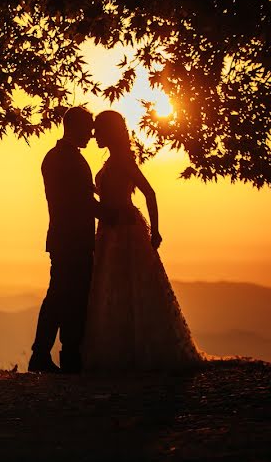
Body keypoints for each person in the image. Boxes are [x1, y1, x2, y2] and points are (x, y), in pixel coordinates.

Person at [83, 110, 204, 371]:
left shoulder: (123, 159)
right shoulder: (113, 161)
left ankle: (135, 350)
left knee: (130, 287)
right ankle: (120, 349)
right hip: (108, 229)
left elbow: (150, 193)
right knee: (114, 288)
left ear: (109, 132)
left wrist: (156, 230)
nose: (94, 136)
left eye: (98, 130)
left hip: (125, 229)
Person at [29, 106, 98, 374]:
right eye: (89, 128)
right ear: (76, 126)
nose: (92, 135)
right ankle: (45, 355)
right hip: (71, 239)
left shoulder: (55, 157)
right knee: (63, 296)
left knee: (68, 296)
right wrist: (114, 214)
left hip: (64, 238)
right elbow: (80, 203)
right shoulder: (68, 160)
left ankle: (63, 354)